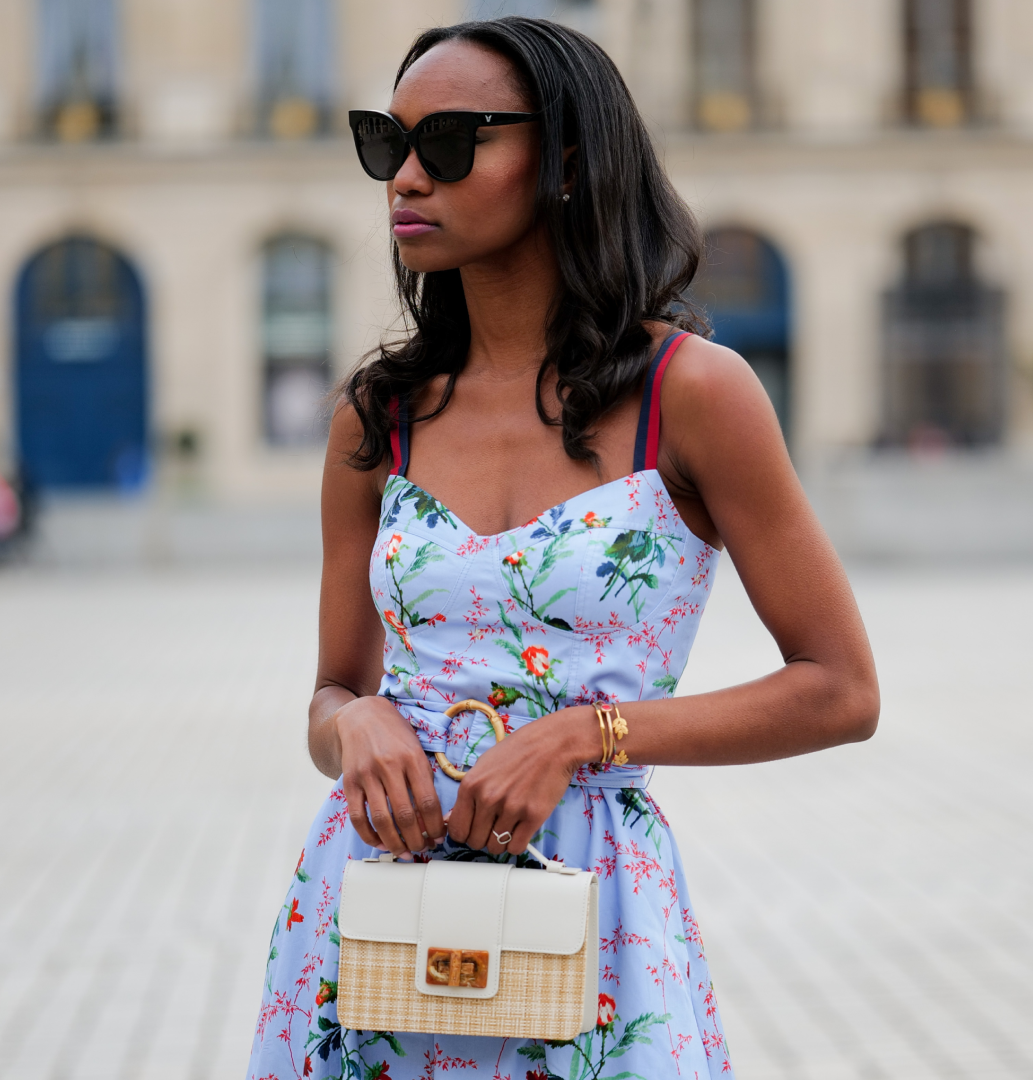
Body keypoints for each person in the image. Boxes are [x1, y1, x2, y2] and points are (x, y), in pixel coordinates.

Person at [247, 17, 879, 1080]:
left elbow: (841, 690)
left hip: (594, 908)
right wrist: (351, 724)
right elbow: (329, 693)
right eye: (383, 142)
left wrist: (589, 735)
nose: (404, 176)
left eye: (448, 142)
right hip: (374, 906)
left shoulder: (693, 395)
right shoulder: (379, 416)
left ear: (569, 162)